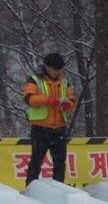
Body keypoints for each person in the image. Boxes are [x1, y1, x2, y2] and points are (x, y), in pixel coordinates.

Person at [23, 52, 76, 184]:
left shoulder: (65, 82)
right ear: (47, 67)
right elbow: (29, 98)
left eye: (60, 69)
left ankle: (58, 188)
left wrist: (66, 104)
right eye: (55, 69)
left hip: (59, 128)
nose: (57, 72)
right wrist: (47, 100)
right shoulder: (35, 80)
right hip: (40, 128)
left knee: (60, 161)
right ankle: (31, 187)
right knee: (36, 160)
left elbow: (71, 102)